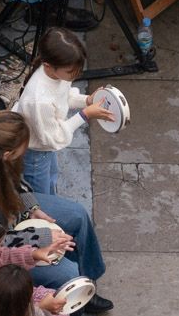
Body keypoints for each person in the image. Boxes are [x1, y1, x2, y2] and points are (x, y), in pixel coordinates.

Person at [0, 112, 107, 291]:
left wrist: (31, 206)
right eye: (21, 150)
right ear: (7, 154)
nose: (24, 153)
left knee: (77, 214)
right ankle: (72, 296)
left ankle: (89, 278)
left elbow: (15, 181)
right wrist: (42, 236)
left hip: (9, 211)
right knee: (67, 274)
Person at [10, 31, 110, 197]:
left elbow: (63, 97)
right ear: (49, 65)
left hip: (45, 145)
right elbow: (53, 137)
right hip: (36, 151)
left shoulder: (57, 75)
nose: (76, 75)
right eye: (71, 71)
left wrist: (87, 100)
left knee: (51, 178)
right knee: (41, 196)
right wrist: (84, 115)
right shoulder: (38, 100)